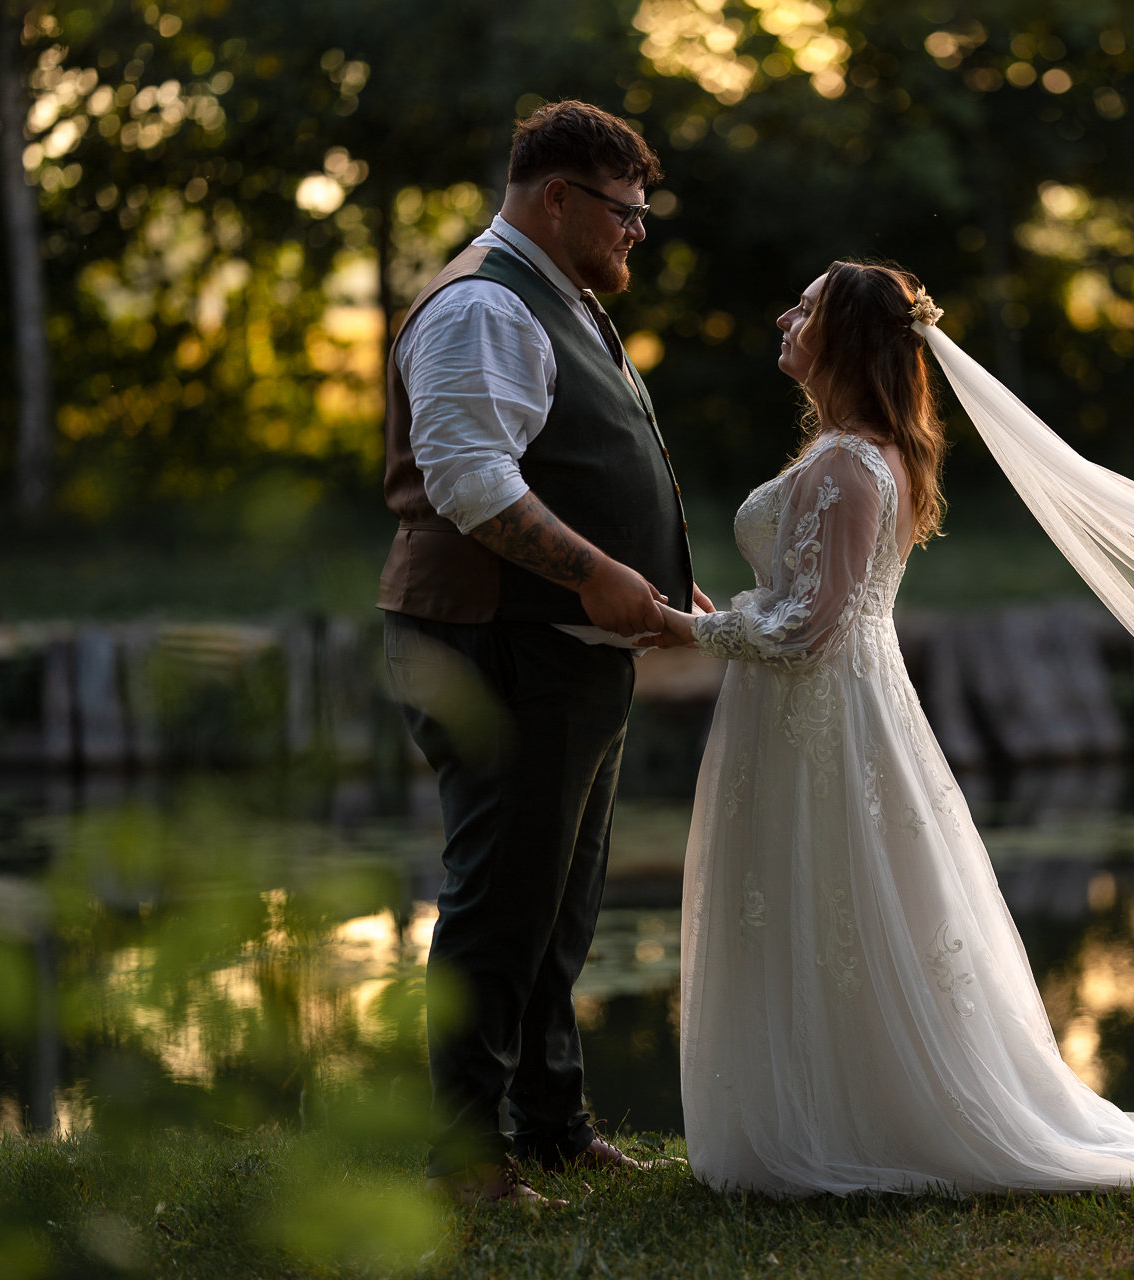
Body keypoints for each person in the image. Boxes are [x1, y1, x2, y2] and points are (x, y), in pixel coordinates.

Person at [644, 261, 1134, 1194]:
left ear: (843, 334)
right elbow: (805, 604)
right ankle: (824, 1105)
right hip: (828, 711)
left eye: (803, 307)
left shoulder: (849, 462)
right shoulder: (857, 452)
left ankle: (851, 1120)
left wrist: (685, 630)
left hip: (824, 717)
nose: (783, 314)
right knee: (834, 899)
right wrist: (719, 610)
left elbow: (810, 629)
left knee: (836, 896)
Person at [378, 100, 711, 1205]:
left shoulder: (554, 296)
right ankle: (464, 1161)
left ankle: (554, 1124)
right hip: (497, 644)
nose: (637, 231)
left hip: (560, 646)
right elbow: (471, 476)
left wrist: (653, 571)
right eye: (624, 209)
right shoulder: (484, 302)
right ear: (557, 197)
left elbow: (573, 463)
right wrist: (594, 574)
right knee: (499, 901)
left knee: (560, 902)